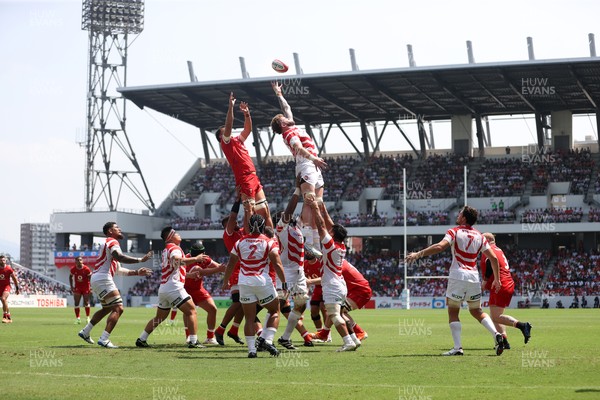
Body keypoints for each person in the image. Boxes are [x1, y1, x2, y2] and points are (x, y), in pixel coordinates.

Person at [405, 206, 505, 356]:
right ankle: (496, 335)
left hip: (458, 275)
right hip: (473, 277)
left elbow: (439, 247)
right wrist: (497, 279)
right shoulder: (480, 236)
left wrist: (418, 254)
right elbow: (494, 259)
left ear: (464, 218)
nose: (457, 215)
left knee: (453, 311)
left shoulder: (454, 231)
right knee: (477, 311)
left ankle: (458, 348)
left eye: (460, 213)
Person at [271, 81, 328, 248]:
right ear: (282, 124)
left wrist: (278, 93)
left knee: (318, 203)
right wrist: (314, 159)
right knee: (310, 202)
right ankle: (307, 240)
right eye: (283, 118)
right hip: (306, 163)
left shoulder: (290, 125)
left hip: (313, 164)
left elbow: (286, 108)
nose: (287, 117)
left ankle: (315, 241)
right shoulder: (289, 133)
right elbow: (298, 148)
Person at [78, 222, 153, 348]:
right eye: (116, 227)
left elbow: (119, 270)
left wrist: (137, 272)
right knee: (119, 308)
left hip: (97, 278)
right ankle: (104, 339)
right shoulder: (112, 241)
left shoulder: (108, 245)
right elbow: (119, 257)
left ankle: (85, 331)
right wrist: (140, 260)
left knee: (107, 309)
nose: (120, 229)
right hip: (102, 278)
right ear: (110, 231)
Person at [222, 214, 287, 358]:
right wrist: (284, 282)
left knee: (249, 318)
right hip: (262, 281)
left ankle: (252, 351)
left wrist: (225, 281)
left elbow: (230, 264)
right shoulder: (269, 242)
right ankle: (267, 340)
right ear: (263, 226)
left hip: (244, 282)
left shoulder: (240, 242)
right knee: (274, 310)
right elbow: (277, 263)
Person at [135, 227, 209, 349]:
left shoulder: (166, 250)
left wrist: (188, 275)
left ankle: (142, 338)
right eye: (176, 233)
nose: (179, 235)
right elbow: (176, 261)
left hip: (164, 287)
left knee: (160, 317)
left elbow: (173, 268)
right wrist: (196, 259)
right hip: (174, 287)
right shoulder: (174, 248)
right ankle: (193, 341)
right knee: (191, 311)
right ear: (170, 236)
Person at [216, 92, 273, 228]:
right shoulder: (226, 143)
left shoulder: (237, 141)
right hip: (244, 179)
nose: (229, 131)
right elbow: (229, 124)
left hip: (253, 177)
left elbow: (247, 130)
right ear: (221, 137)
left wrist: (247, 114)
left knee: (265, 210)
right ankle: (249, 240)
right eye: (225, 131)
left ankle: (272, 240)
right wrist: (231, 106)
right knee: (250, 212)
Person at [309, 199, 359, 351]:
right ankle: (354, 339)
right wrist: (323, 208)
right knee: (339, 314)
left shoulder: (330, 245)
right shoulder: (341, 245)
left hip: (332, 285)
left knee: (334, 315)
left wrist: (314, 207)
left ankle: (348, 342)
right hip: (339, 284)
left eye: (332, 232)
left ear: (334, 235)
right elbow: (330, 226)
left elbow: (321, 226)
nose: (329, 232)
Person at [274, 188, 314, 349]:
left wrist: (308, 198)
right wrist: (297, 190)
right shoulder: (281, 228)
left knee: (301, 303)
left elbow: (304, 214)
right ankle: (265, 339)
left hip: (299, 272)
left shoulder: (297, 227)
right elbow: (289, 211)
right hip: (287, 272)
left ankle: (285, 338)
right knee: (277, 305)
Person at [480, 232, 532, 350]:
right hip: (506, 283)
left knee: (496, 317)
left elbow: (490, 263)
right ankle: (504, 341)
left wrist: (485, 280)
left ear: (487, 240)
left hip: (500, 284)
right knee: (497, 316)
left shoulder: (488, 249)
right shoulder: (498, 249)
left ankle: (523, 326)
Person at [169, 241, 226, 345]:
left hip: (198, 289)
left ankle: (210, 337)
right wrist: (219, 269)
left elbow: (217, 266)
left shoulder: (205, 258)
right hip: (185, 289)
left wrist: (225, 272)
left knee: (213, 309)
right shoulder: (186, 259)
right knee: (188, 312)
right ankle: (189, 337)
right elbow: (200, 272)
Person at [214, 197, 248, 346]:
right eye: (232, 222)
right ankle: (220, 329)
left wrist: (248, 207)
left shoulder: (241, 232)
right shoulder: (228, 234)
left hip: (246, 271)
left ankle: (233, 330)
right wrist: (238, 200)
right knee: (238, 302)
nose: (236, 223)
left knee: (243, 303)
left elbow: (247, 221)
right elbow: (233, 216)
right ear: (227, 225)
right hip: (236, 272)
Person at [69, 256, 92, 324]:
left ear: (82, 261)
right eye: (78, 260)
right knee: (76, 303)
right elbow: (70, 277)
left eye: (80, 260)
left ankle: (87, 317)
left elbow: (90, 278)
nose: (79, 261)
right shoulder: (73, 269)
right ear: (75, 261)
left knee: (86, 302)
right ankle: (78, 319)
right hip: (77, 288)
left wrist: (91, 286)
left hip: (86, 287)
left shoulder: (86, 269)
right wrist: (71, 286)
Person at [0, 255, 19, 323]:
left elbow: (14, 279)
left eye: (3, 260)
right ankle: (9, 317)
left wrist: (17, 288)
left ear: (5, 261)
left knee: (3, 299)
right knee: (4, 302)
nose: (2, 261)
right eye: (1, 260)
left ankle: (4, 317)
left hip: (6, 286)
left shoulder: (8, 269)